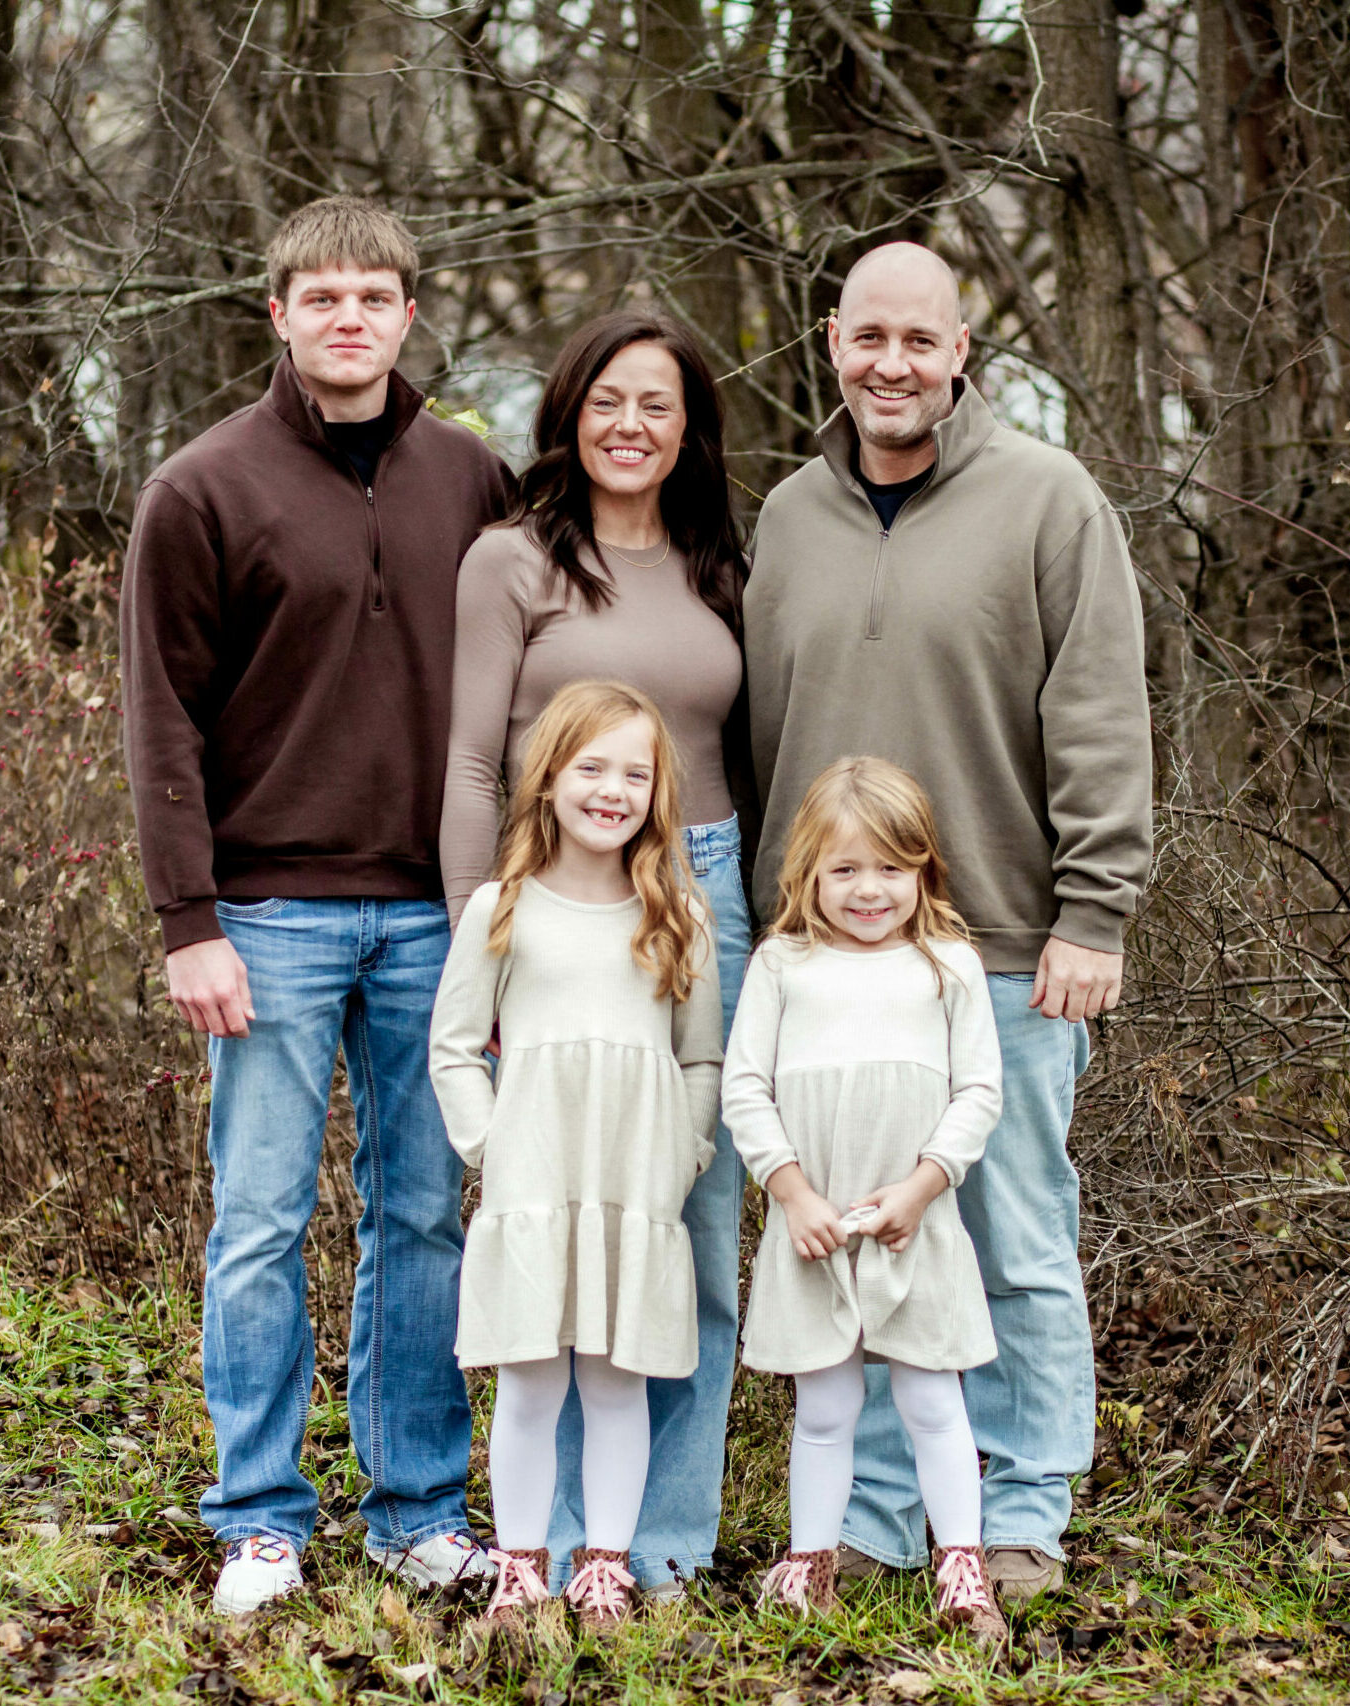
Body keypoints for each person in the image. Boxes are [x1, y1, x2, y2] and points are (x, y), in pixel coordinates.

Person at [119, 195, 516, 1616]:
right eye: (322, 296)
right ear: (278, 314)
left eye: (374, 295)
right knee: (259, 1219)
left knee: (423, 1218)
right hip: (268, 914)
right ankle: (260, 1519)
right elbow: (161, 719)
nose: (350, 317)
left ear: (409, 313)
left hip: (435, 914)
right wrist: (189, 920)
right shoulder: (201, 488)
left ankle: (417, 1509)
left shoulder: (472, 479)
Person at [743, 241, 1153, 1601]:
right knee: (866, 1238)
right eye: (868, 337)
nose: (891, 364)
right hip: (821, 966)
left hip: (1004, 952)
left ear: (961, 350)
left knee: (1017, 1244)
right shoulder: (789, 514)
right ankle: (872, 1518)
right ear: (830, 341)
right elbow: (756, 737)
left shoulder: (1047, 499)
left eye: (919, 339)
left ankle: (1022, 1504)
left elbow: (1099, 713)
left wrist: (1093, 908)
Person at [439, 310, 750, 1594]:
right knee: (555, 1241)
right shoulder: (510, 560)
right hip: (547, 897)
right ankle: (547, 1541)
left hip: (701, 890)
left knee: (686, 1230)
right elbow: (473, 761)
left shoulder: (718, 561)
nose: (630, 425)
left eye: (657, 404)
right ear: (567, 415)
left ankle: (652, 1542)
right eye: (606, 400)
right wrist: (482, 933)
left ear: (689, 428)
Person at [429, 681, 723, 1634]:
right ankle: (520, 1570)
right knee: (529, 1383)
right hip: (533, 1187)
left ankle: (603, 1567)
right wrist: (492, 1145)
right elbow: (454, 1047)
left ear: (658, 791)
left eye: (636, 774)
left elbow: (702, 1057)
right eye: (592, 768)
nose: (613, 791)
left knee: (615, 1382)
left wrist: (683, 1154)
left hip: (633, 1191)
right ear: (548, 778)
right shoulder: (502, 909)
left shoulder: (678, 912)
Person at [722, 758, 1006, 1647]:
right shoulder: (783, 965)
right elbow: (745, 1089)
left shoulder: (948, 966)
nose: (869, 889)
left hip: (913, 1224)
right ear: (807, 872)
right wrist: (791, 1193)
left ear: (924, 869)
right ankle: (810, 1565)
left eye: (890, 866)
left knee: (932, 1400)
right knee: (825, 1409)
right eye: (844, 869)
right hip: (814, 1226)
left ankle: (961, 1566)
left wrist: (923, 1187)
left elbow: (979, 1093)